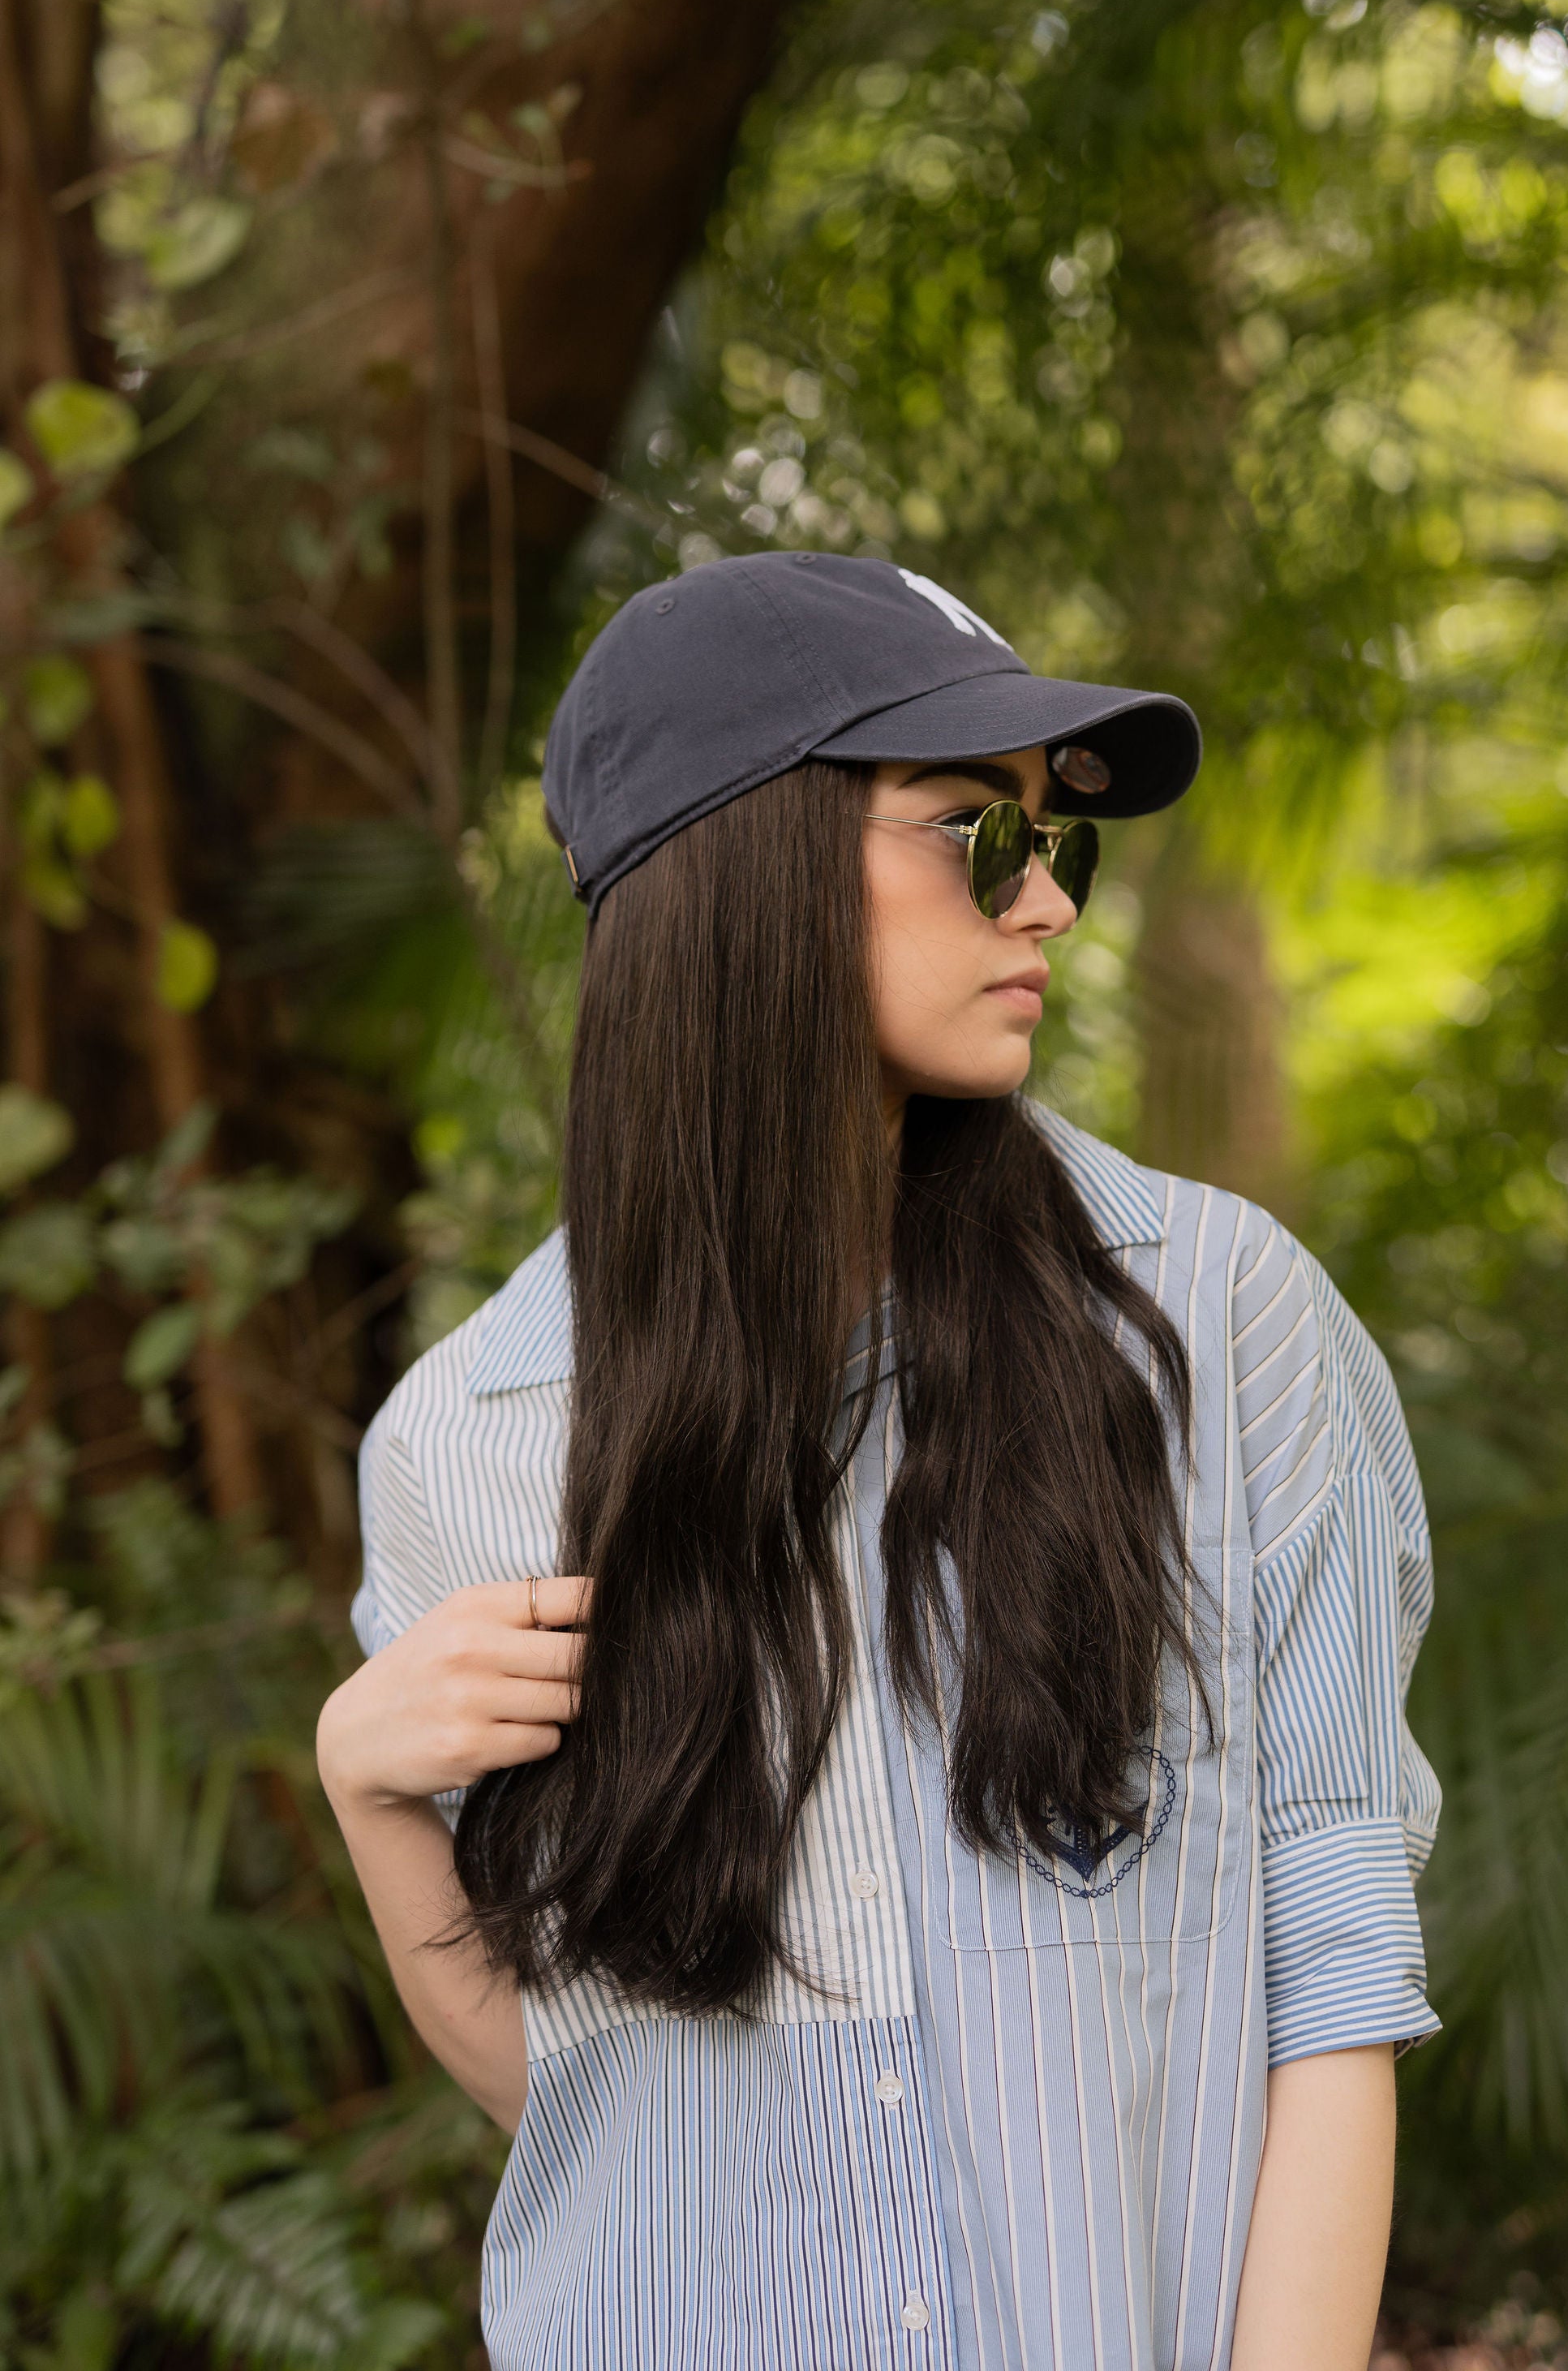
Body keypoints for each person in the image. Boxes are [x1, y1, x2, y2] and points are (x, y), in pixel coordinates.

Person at [317, 552, 1440, 2371]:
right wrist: (371, 1796)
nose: (1050, 900)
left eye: (1056, 843)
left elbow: (1329, 1977)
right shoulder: (475, 1436)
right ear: (740, 867)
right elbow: (597, 2116)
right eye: (979, 834)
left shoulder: (1216, 1326)